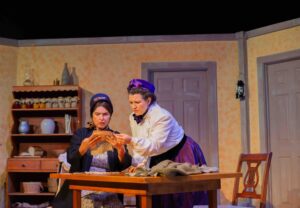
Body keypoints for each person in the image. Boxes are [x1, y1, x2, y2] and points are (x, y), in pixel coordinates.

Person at [115, 79, 208, 208]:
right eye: (131, 102)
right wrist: (138, 165)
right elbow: (141, 141)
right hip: (158, 154)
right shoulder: (133, 116)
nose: (133, 106)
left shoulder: (162, 116)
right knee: (157, 197)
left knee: (178, 196)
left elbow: (154, 145)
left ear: (148, 100)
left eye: (137, 102)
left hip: (179, 152)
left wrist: (130, 140)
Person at [52, 93, 131, 208]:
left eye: (105, 114)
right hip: (83, 188)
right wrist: (83, 148)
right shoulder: (82, 134)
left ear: (110, 116)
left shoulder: (116, 136)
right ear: (92, 115)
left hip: (109, 189)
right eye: (97, 114)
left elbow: (124, 166)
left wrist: (120, 149)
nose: (101, 118)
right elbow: (71, 160)